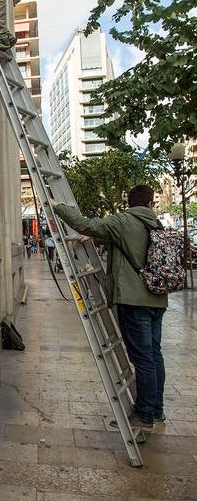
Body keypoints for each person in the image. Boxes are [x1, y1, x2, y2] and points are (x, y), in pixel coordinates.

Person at [53, 185, 167, 432]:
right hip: (157, 298)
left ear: (129, 202)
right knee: (155, 355)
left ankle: (145, 415)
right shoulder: (155, 223)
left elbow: (86, 225)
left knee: (143, 358)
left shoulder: (124, 220)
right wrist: (96, 236)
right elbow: (115, 238)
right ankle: (156, 410)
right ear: (150, 203)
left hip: (134, 299)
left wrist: (56, 206)